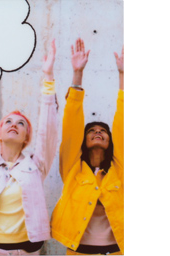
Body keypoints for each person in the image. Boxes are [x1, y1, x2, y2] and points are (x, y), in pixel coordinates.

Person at [0, 39, 58, 255]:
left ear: (27, 137)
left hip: (27, 251)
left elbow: (48, 130)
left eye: (21, 123)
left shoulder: (37, 166)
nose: (14, 124)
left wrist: (48, 77)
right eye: (8, 122)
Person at [51, 38, 124, 255]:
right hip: (79, 251)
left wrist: (123, 76)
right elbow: (72, 124)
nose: (98, 132)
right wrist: (77, 74)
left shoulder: (119, 171)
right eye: (91, 131)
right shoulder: (72, 168)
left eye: (103, 131)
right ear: (83, 141)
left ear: (110, 141)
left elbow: (122, 123)